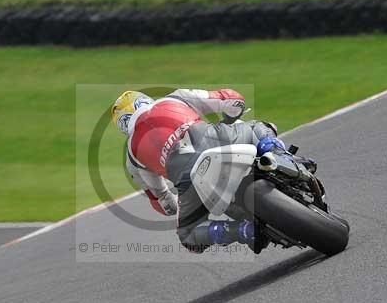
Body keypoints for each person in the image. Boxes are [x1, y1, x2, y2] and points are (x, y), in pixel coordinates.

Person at [111, 89, 286, 253]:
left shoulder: (132, 157)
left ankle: (242, 231)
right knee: (257, 127)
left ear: (123, 126)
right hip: (215, 140)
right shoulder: (175, 98)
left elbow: (164, 203)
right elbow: (232, 99)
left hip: (189, 180)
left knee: (188, 236)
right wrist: (232, 115)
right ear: (145, 100)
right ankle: (281, 156)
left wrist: (179, 203)